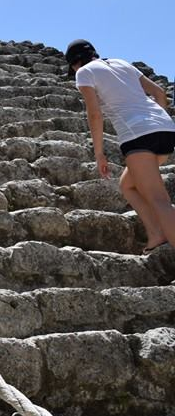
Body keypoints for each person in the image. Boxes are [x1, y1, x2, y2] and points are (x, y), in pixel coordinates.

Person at [67, 39, 175, 254]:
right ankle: (156, 235)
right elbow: (160, 93)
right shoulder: (122, 63)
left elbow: (95, 114)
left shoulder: (84, 72)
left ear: (75, 63)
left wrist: (99, 153)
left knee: (158, 198)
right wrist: (158, 120)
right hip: (165, 129)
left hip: (137, 134)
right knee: (128, 186)